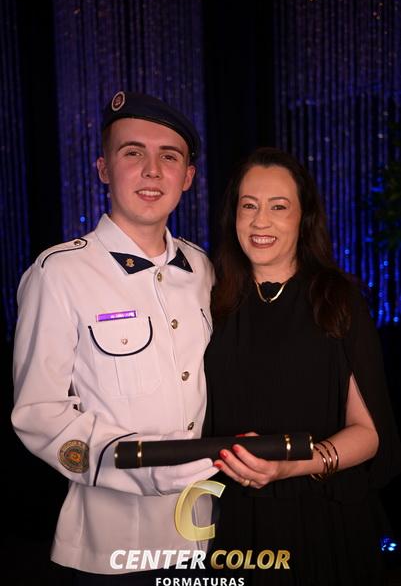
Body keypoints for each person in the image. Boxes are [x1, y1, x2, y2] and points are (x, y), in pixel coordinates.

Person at [12, 91, 217, 584]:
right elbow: (38, 415)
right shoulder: (58, 273)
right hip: (110, 546)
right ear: (104, 169)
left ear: (188, 177)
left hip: (199, 531)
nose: (152, 171)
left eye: (169, 157)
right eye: (133, 153)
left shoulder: (203, 269)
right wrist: (139, 467)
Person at [204, 147, 401, 585]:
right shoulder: (210, 302)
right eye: (249, 206)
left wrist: (290, 466)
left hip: (323, 518)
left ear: (303, 217)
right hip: (233, 519)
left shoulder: (338, 300)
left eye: (279, 207)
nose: (260, 221)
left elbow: (369, 434)